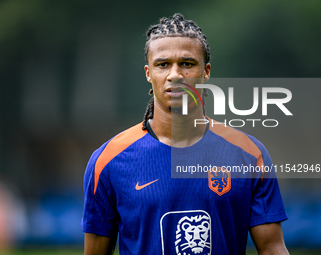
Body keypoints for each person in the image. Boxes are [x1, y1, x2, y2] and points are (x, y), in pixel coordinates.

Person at [81, 13, 289, 255]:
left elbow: (273, 248)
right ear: (149, 73)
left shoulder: (249, 155)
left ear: (206, 71)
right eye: (163, 64)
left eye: (187, 64)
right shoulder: (107, 161)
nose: (175, 75)